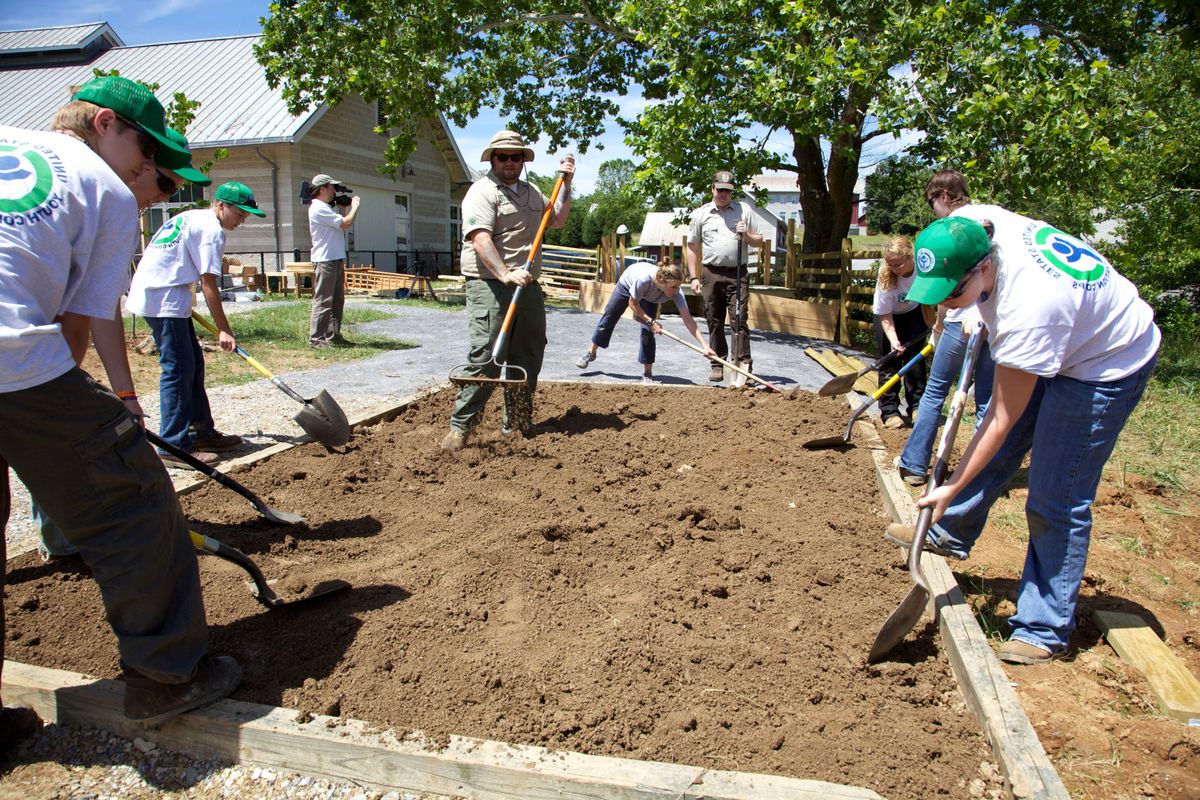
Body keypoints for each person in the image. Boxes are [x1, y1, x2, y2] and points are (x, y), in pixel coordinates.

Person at [0, 75, 241, 742]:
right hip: (10, 355)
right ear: (104, 123)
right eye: (145, 150)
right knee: (132, 501)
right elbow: (75, 331)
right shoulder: (101, 187)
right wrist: (88, 424)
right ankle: (168, 676)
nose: (148, 169)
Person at [885, 210, 1160, 665]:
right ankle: (950, 529)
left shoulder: (1028, 310)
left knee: (1056, 494)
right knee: (997, 452)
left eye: (953, 293)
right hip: (1064, 330)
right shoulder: (971, 223)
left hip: (1103, 362)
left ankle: (1044, 625)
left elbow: (999, 416)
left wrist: (951, 483)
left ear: (985, 268)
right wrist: (970, 307)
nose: (946, 304)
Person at [33, 124, 211, 561]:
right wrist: (70, 386)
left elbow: (100, 306)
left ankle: (61, 542)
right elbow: (80, 322)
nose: (165, 196)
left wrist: (125, 392)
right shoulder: (104, 197)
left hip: (30, 355)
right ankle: (65, 542)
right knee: (65, 450)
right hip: (27, 358)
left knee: (55, 451)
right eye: (162, 181)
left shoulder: (74, 186)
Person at [440, 130, 574, 452]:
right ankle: (462, 427)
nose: (510, 162)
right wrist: (504, 273)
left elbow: (556, 219)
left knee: (528, 352)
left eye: (516, 156)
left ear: (523, 160)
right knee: (486, 354)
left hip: (527, 283)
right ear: (493, 159)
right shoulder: (481, 192)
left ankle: (516, 422)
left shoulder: (531, 192)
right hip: (489, 282)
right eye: (503, 156)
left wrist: (567, 184)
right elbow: (480, 239)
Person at [126, 182, 266, 466]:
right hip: (163, 297)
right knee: (178, 368)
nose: (242, 221)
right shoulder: (212, 231)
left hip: (161, 293)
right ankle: (173, 444)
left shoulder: (194, 217)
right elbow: (209, 283)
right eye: (240, 214)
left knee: (193, 362)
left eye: (246, 216)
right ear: (221, 205)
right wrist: (225, 329)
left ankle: (200, 430)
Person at [896, 170, 995, 486]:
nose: (933, 209)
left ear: (944, 196)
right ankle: (979, 473)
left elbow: (944, 288)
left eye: (932, 202)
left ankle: (913, 465)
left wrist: (938, 326)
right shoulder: (992, 219)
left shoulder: (950, 228)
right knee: (988, 402)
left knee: (935, 390)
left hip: (959, 325)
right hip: (993, 324)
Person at [575, 260, 715, 383]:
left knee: (648, 332)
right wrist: (651, 321)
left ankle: (647, 372)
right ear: (661, 282)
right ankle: (591, 352)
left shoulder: (676, 292)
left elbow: (688, 320)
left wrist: (705, 345)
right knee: (609, 317)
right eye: (673, 287)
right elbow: (633, 304)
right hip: (627, 284)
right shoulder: (644, 280)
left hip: (650, 297)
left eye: (678, 286)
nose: (676, 290)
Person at [685, 171, 764, 382]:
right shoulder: (701, 214)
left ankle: (742, 364)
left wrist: (745, 234)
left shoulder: (744, 211)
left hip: (738, 273)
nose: (723, 194)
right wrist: (693, 277)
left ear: (732, 192)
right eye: (720, 190)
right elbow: (692, 247)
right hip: (711, 273)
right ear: (713, 189)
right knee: (714, 319)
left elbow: (759, 241)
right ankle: (718, 363)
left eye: (727, 191)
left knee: (739, 319)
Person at [871, 236, 929, 429]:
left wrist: (934, 327)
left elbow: (930, 302)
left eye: (898, 264)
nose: (894, 268)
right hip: (889, 317)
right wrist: (894, 341)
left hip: (913, 313)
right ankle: (889, 411)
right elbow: (885, 315)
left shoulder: (923, 268)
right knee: (890, 362)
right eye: (890, 264)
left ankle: (916, 407)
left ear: (910, 257)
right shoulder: (886, 275)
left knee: (915, 362)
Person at [306, 174, 362, 348]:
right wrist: (355, 207)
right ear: (322, 189)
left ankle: (333, 335)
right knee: (323, 301)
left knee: (337, 300)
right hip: (325, 260)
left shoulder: (326, 208)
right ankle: (316, 338)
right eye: (331, 188)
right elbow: (346, 224)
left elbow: (343, 225)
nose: (334, 191)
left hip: (335, 258)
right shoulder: (318, 208)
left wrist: (344, 209)